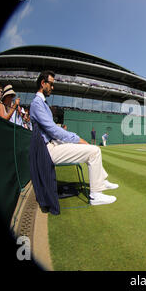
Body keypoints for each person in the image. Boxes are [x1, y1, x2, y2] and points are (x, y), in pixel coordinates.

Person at [30, 70, 118, 205]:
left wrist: (76, 139)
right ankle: (95, 195)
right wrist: (78, 139)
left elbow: (54, 130)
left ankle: (101, 182)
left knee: (91, 149)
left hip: (53, 145)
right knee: (94, 151)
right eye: (51, 84)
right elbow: (54, 131)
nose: (52, 87)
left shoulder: (41, 103)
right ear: (43, 83)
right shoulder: (37, 103)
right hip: (48, 150)